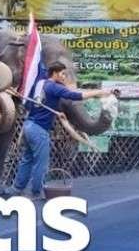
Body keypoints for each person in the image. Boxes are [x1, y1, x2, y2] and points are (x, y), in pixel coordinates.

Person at [11, 63, 112, 200]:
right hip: (40, 129)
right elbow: (76, 96)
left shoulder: (40, 84)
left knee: (27, 158)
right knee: (41, 163)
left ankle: (17, 188)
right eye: (63, 74)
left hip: (29, 125)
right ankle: (36, 192)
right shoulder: (55, 87)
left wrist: (56, 113)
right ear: (55, 73)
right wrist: (100, 92)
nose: (64, 77)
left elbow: (36, 104)